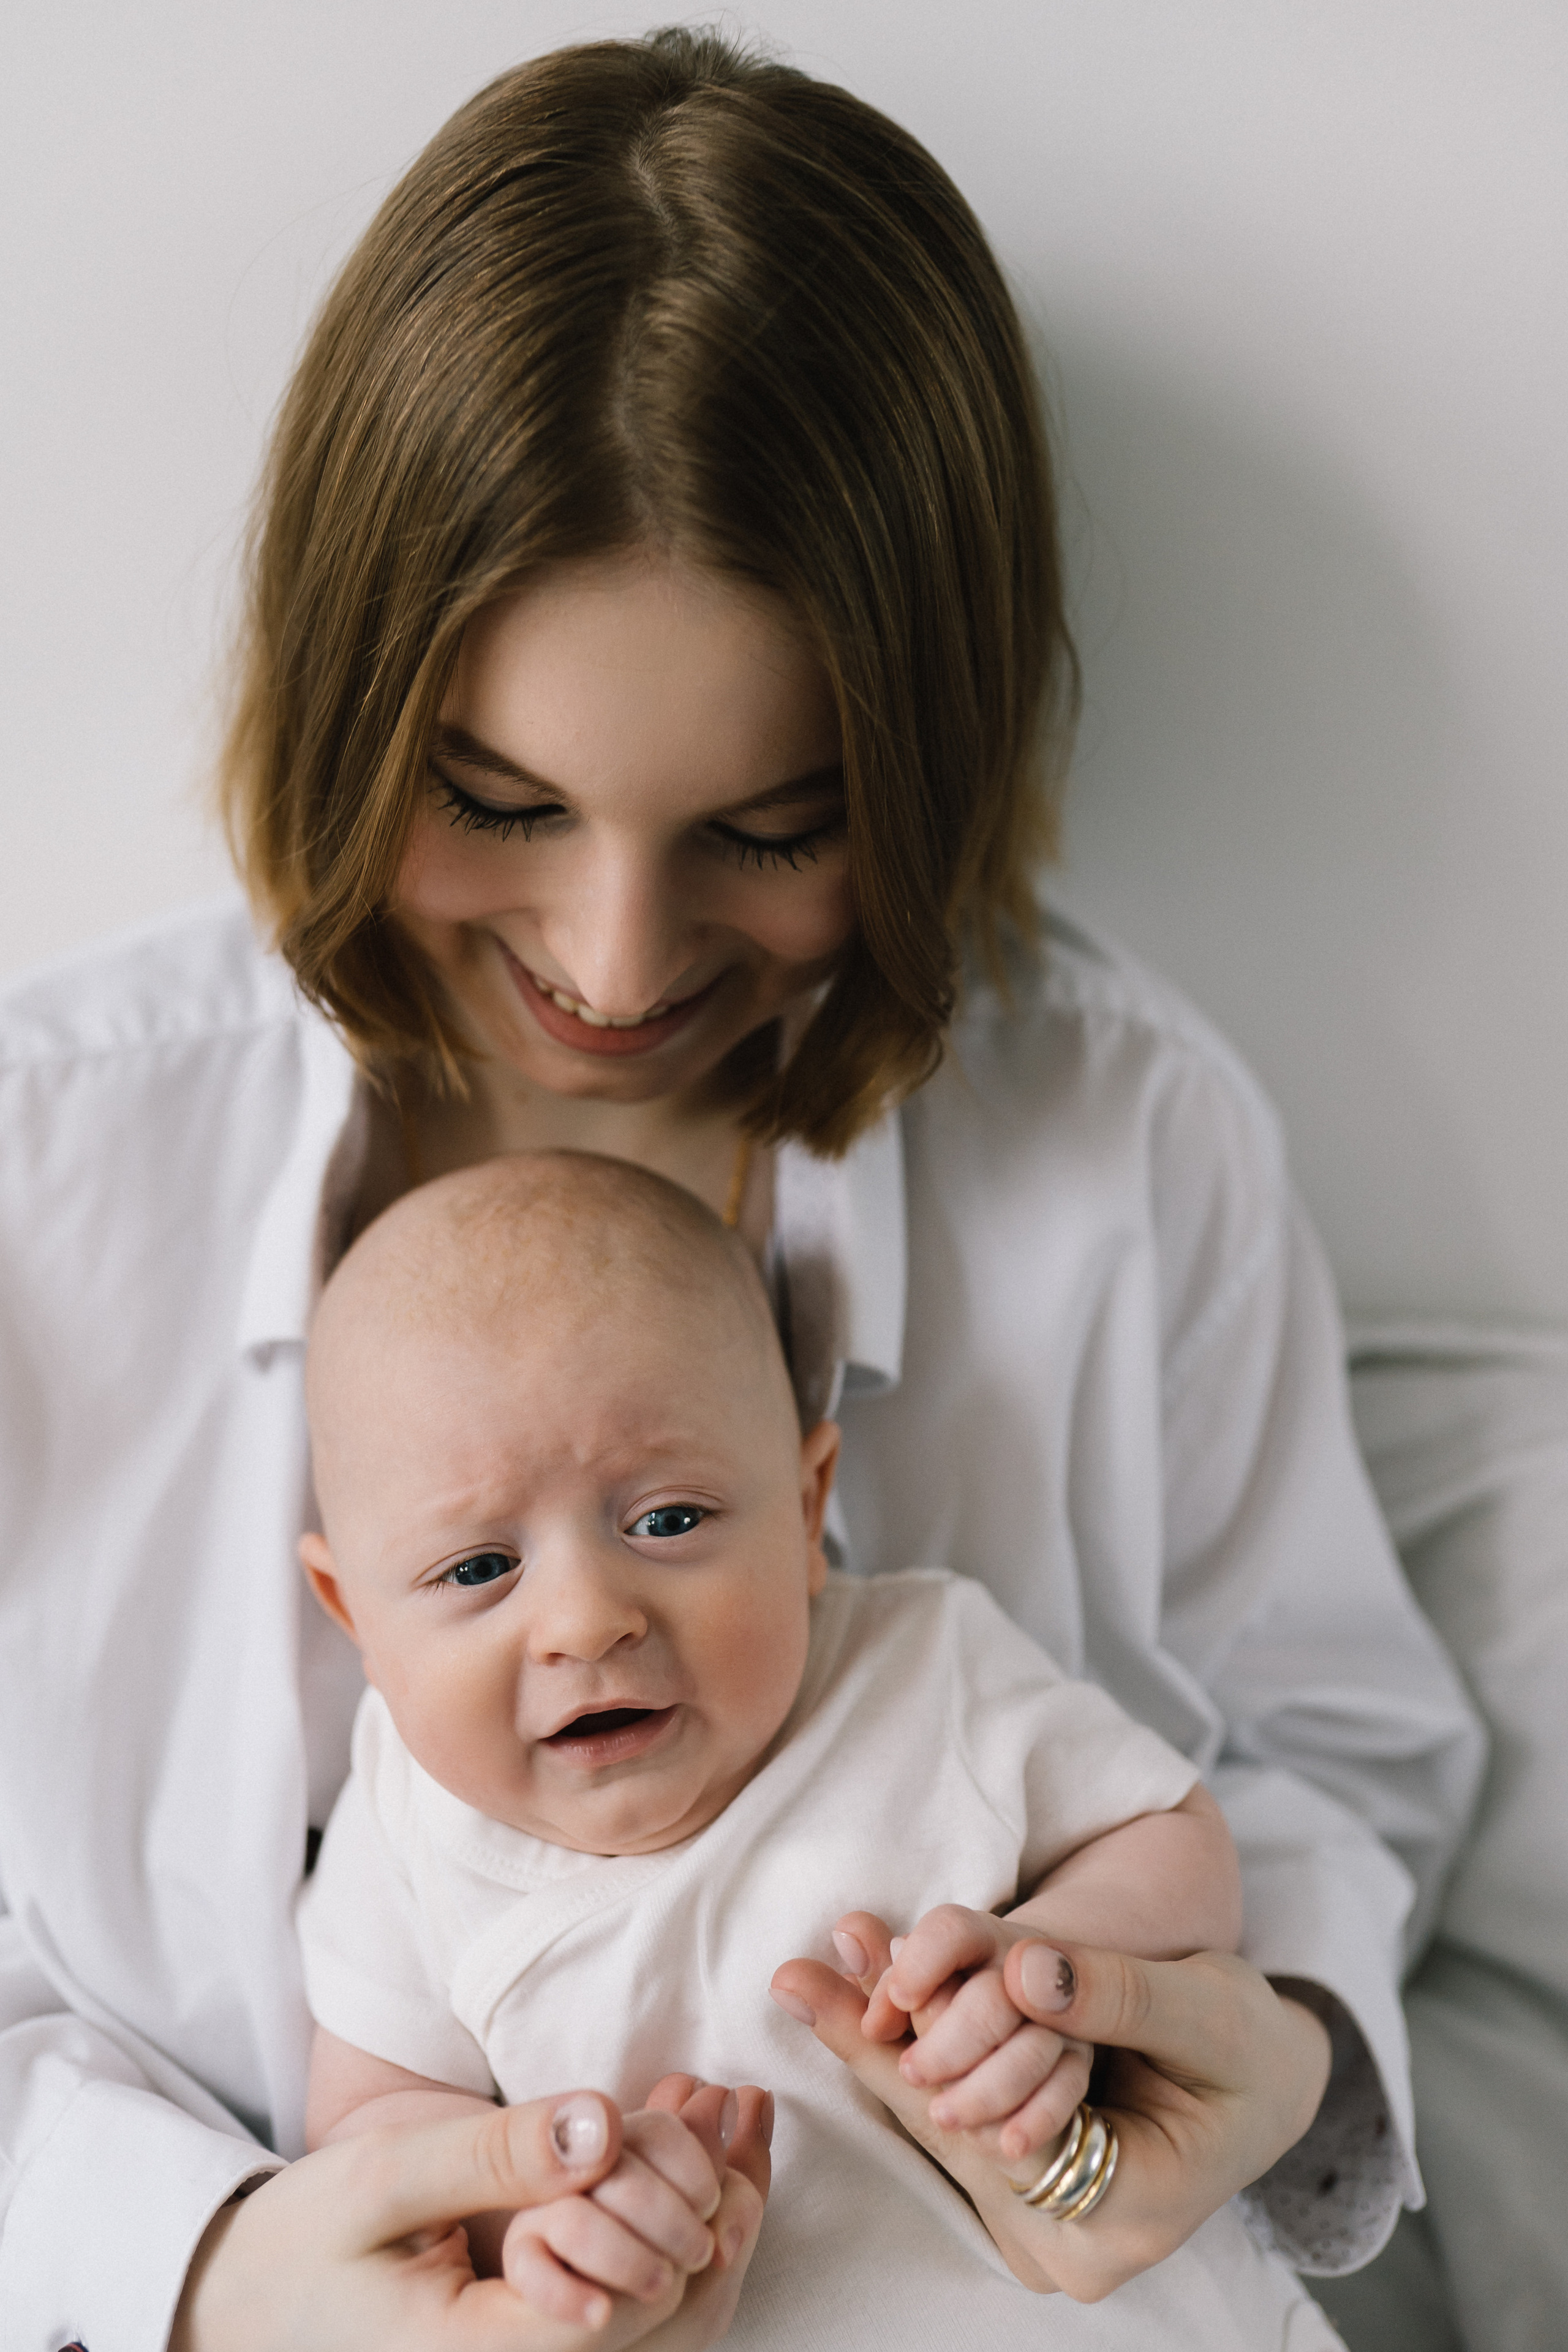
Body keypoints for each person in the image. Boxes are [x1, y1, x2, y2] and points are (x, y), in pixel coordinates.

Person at [0, 25, 1482, 2350]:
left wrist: (1235, 2042)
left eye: (771, 835)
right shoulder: (45, 1169)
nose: (608, 962)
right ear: (343, 696)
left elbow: (1333, 1759)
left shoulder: (1121, 1140)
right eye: (494, 799)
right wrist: (219, 2269)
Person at [294, 1148, 1302, 2346]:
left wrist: (1046, 1968)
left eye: (666, 1520)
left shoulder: (923, 1667)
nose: (582, 1620)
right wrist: (537, 2235)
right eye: (476, 1569)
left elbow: (1173, 1834)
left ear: (807, 1507)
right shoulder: (411, 1819)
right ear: (354, 1613)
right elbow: (372, 2124)